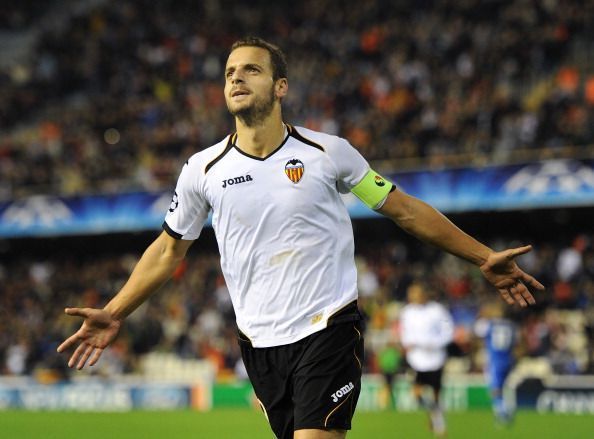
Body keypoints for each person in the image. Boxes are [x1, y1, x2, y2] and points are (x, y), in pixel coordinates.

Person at [57, 36, 544, 439]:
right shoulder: (201, 170)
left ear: (280, 85)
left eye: (250, 69)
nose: (236, 78)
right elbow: (167, 250)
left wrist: (482, 256)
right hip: (260, 342)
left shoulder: (328, 153)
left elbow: (405, 210)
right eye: (229, 73)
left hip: (329, 327)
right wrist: (115, 310)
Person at [399, 282, 454, 437]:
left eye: (416, 294)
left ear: (424, 294)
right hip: (416, 359)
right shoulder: (407, 312)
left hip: (435, 358)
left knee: (436, 394)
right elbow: (404, 332)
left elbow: (448, 331)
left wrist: (435, 343)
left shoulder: (437, 310)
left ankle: (439, 423)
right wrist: (407, 343)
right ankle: (433, 413)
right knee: (416, 394)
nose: (413, 297)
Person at [474, 301, 518, 425]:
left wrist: (482, 315)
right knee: (505, 387)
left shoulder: (488, 324)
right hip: (509, 359)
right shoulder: (511, 325)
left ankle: (502, 413)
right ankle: (507, 409)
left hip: (494, 360)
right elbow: (517, 342)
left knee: (495, 389)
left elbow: (477, 330)